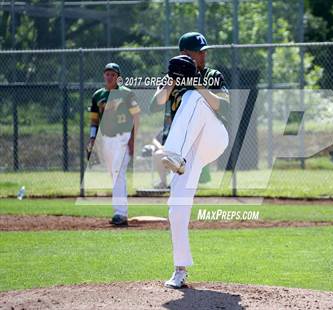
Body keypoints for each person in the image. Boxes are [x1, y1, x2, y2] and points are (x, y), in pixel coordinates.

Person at [150, 32, 229, 288]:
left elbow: (223, 106)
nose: (204, 54)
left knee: (194, 97)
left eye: (205, 50)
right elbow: (156, 103)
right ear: (185, 53)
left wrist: (196, 83)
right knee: (177, 208)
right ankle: (180, 269)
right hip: (187, 152)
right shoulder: (173, 76)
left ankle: (173, 154)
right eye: (199, 51)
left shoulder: (211, 74)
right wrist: (173, 81)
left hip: (213, 137)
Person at [87, 63, 140, 225]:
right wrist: (92, 138)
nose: (109, 77)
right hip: (107, 140)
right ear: (104, 76)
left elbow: (136, 117)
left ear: (118, 77)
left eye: (113, 74)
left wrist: (132, 139)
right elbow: (94, 120)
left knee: (117, 173)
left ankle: (120, 213)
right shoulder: (98, 96)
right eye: (107, 74)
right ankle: (120, 210)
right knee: (113, 173)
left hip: (123, 137)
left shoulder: (126, 93)